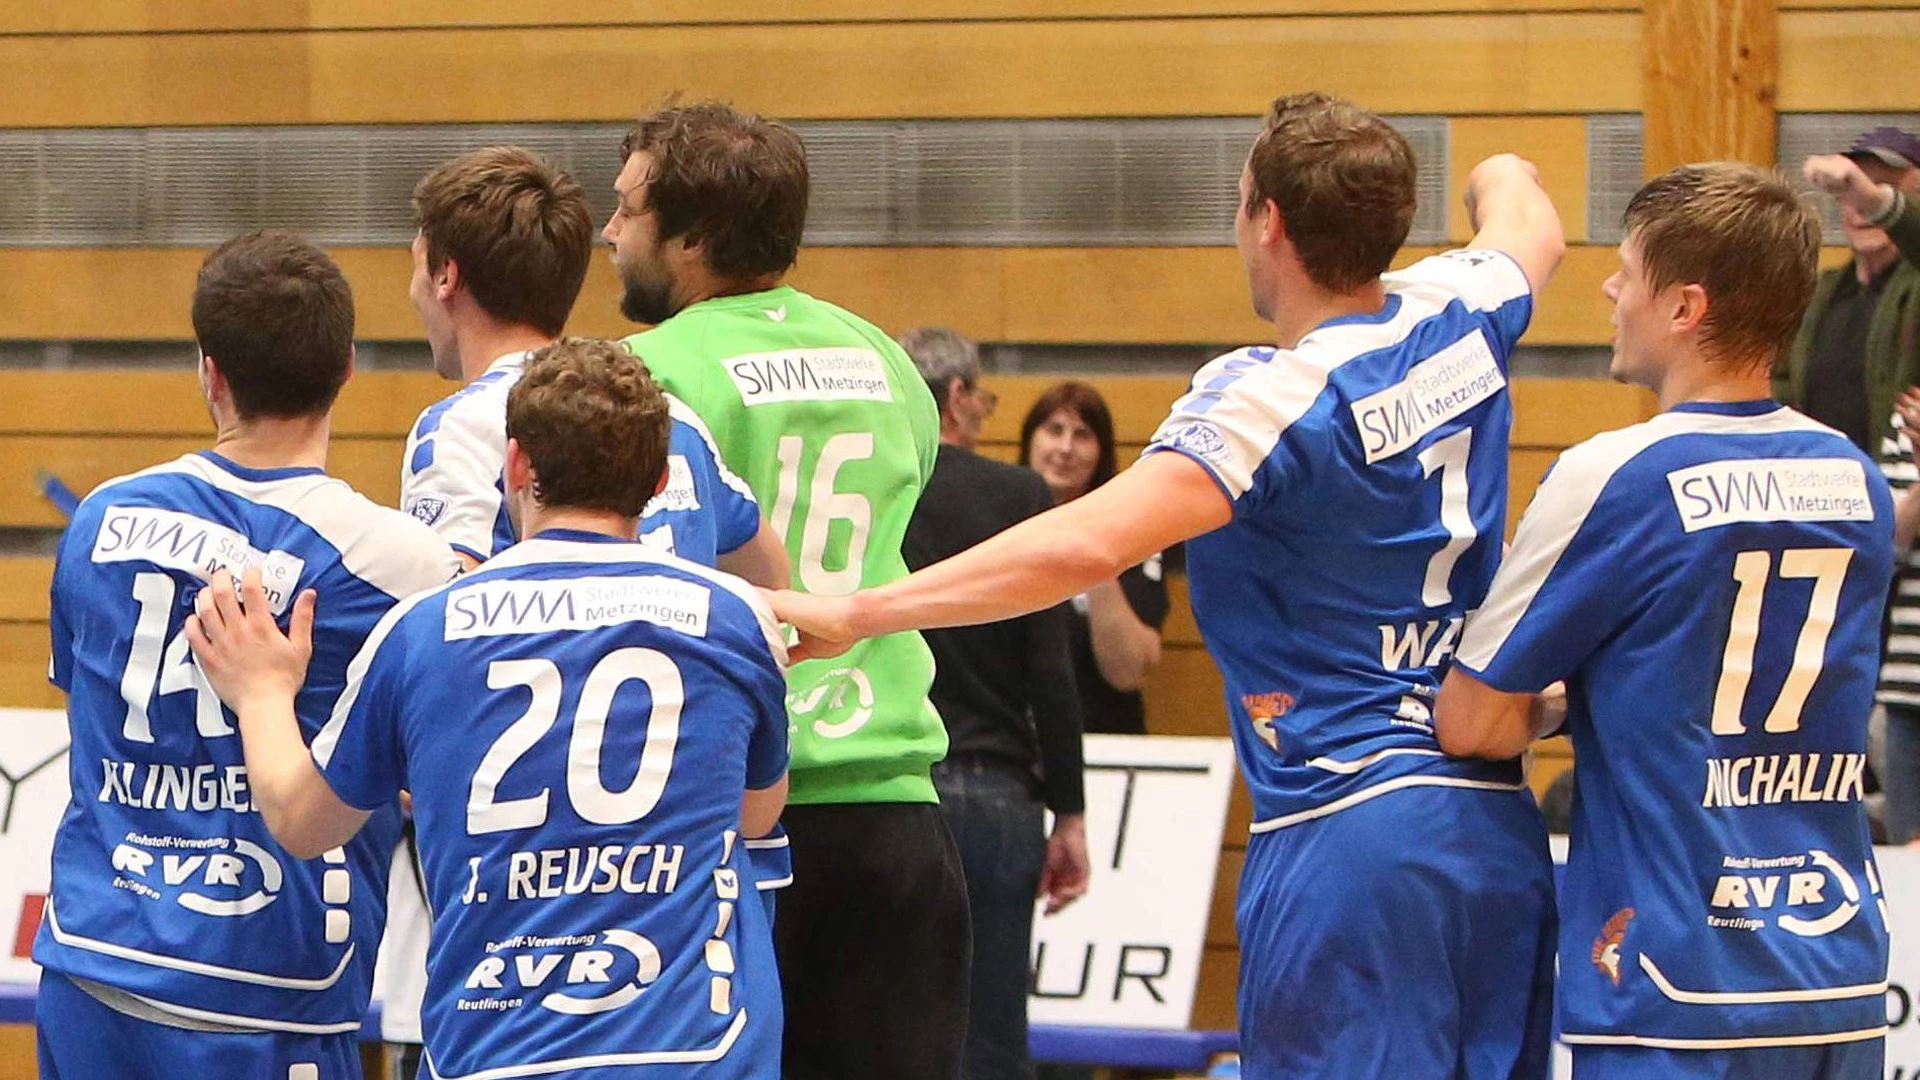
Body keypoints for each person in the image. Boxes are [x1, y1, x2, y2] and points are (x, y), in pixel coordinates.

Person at [770, 90, 1567, 1079]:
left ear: (1267, 220)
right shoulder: (1462, 307)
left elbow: (1081, 544)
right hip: (1492, 827)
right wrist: (1472, 182)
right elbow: (1525, 208)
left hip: (1349, 830)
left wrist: (860, 611)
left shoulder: (1274, 396)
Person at [187, 340, 791, 1080]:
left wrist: (261, 694)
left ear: (515, 464)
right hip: (697, 1053)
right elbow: (755, 814)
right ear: (660, 480)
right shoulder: (735, 618)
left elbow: (301, 821)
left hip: (498, 1050)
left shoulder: (422, 631)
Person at [1439, 163, 1891, 1078]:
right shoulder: (1858, 479)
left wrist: (1563, 705)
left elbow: (1470, 720)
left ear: (1685, 307)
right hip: (1838, 976)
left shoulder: (1618, 475)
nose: (1610, 289)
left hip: (1673, 984)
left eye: (1628, 271)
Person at [382, 145, 792, 1077]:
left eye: (414, 265)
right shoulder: (660, 415)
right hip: (682, 879)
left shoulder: (467, 426)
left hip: (538, 883)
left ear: (445, 276)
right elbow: (774, 577)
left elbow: (453, 638)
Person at [32, 230, 460, 1079]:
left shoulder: (101, 519)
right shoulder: (397, 562)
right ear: (346, 368)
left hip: (92, 965)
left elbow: (89, 714)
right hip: (266, 986)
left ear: (210, 372)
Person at [606, 100, 965, 1079]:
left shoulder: (641, 378)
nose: (609, 232)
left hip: (740, 811)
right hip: (898, 813)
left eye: (628, 209)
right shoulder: (886, 361)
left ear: (692, 237)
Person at [900, 327, 1089, 1080]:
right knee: (991, 1038)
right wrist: (1069, 811)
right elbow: (1052, 672)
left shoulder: (879, 491)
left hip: (889, 789)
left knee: (887, 1030)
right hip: (995, 791)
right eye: (980, 395)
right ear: (956, 397)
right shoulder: (1018, 496)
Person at [1019, 383, 1169, 734]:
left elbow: (1127, 672)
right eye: (1054, 430)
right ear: (1030, 439)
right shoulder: (993, 520)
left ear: (1102, 452)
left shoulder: (1134, 537)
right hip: (1008, 742)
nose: (1065, 448)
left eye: (1082, 435)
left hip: (1102, 735)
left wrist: (1094, 548)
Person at [1775, 127, 1920, 457]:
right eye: (1850, 193)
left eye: (1881, 190)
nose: (1862, 208)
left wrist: (1878, 203)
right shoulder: (1817, 292)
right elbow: (1780, 380)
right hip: (1819, 476)